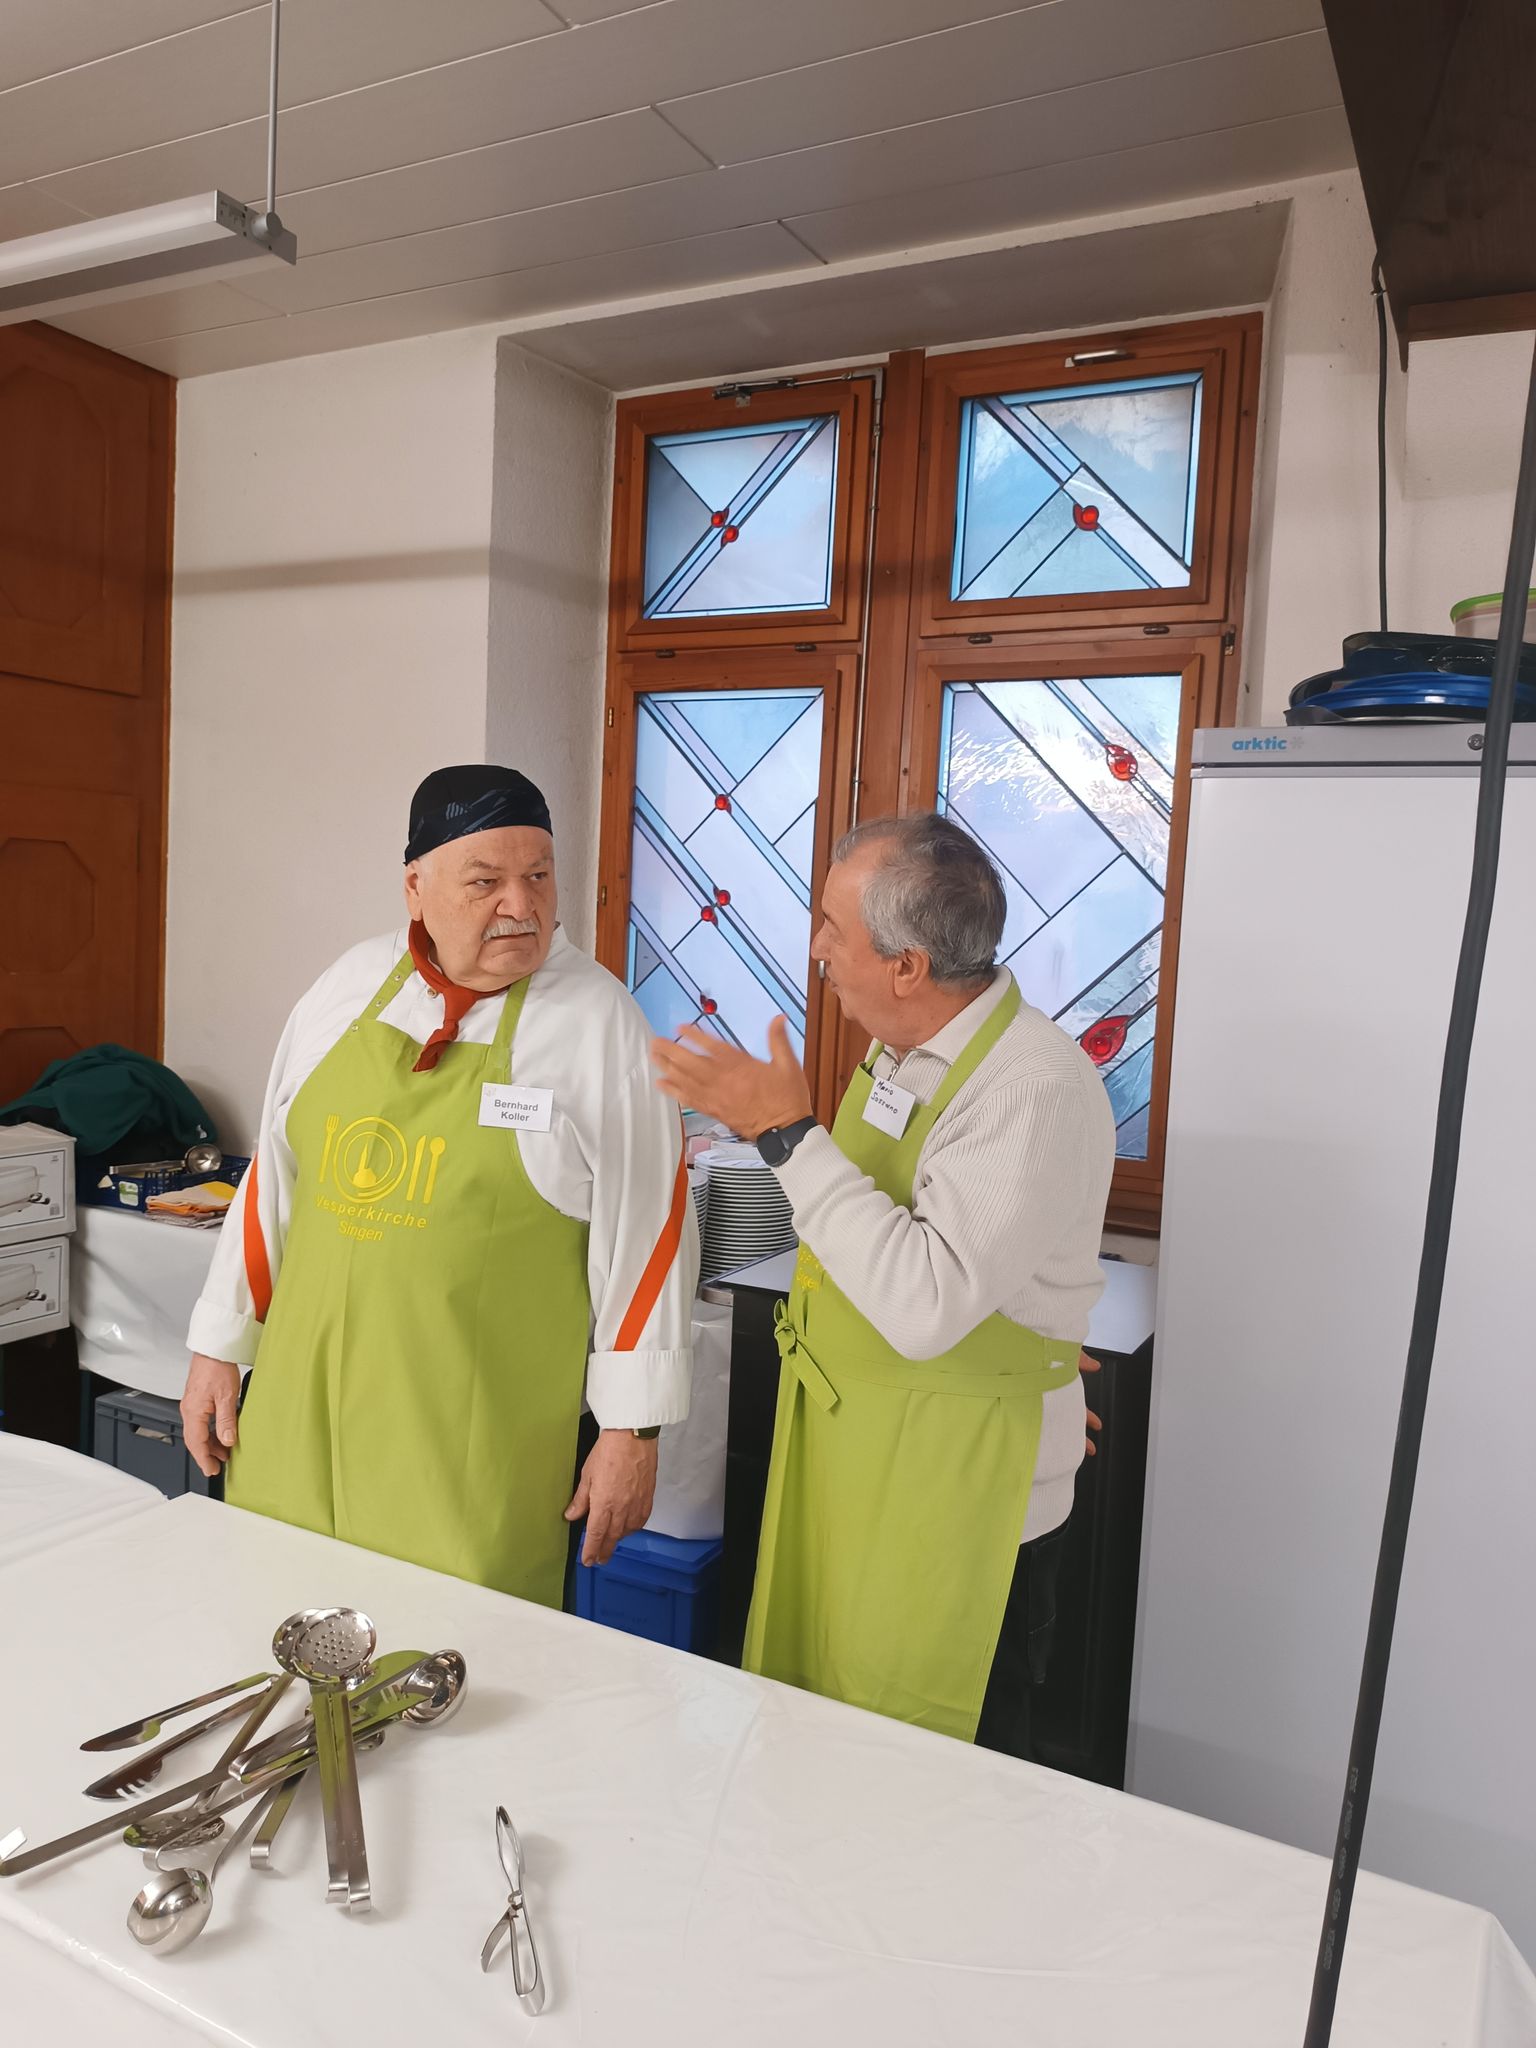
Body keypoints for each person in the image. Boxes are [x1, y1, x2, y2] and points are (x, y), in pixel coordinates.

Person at [651, 814, 1113, 1757]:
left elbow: (925, 1303)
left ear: (907, 966)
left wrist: (785, 1134)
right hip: (864, 1450)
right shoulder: (902, 1048)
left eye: (833, 927)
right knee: (824, 1743)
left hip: (962, 1495)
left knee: (929, 1777)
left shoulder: (1030, 1087)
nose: (816, 949)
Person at [181, 764, 698, 1603]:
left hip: (467, 1451)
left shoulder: (600, 1025)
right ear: (415, 888)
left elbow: (651, 1240)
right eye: (486, 882)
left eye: (539, 876)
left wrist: (631, 1433)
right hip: (295, 1421)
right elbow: (272, 1185)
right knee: (276, 1623)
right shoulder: (348, 988)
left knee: (451, 1658)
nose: (521, 906)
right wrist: (218, 1348)